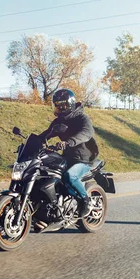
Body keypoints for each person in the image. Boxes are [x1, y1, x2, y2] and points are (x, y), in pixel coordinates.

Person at [41, 88, 100, 218]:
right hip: (68, 156)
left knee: (69, 176)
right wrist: (33, 141)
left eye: (63, 105)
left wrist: (69, 142)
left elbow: (86, 133)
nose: (60, 108)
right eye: (57, 105)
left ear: (71, 104)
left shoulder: (82, 118)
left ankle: (86, 200)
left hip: (84, 158)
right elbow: (46, 134)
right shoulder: (59, 121)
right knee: (47, 170)